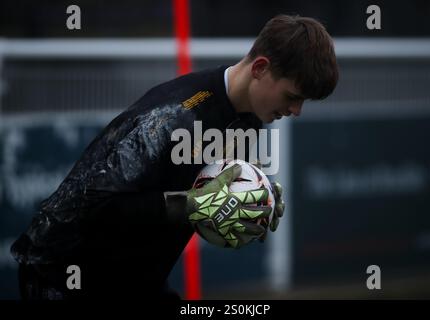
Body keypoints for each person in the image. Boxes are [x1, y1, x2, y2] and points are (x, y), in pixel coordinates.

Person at [11, 14, 338, 300]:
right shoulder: (176, 114)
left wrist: (254, 204)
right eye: (293, 97)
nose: (296, 111)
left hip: (135, 278)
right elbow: (94, 207)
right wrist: (191, 205)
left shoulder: (250, 118)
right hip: (64, 275)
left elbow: (204, 198)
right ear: (260, 68)